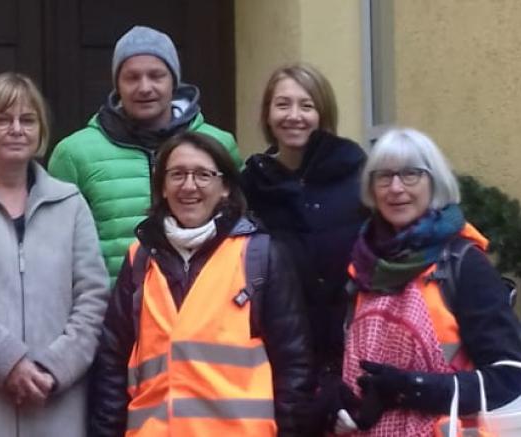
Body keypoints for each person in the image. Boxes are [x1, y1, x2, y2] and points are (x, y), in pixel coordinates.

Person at [89, 131, 317, 436]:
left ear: (225, 188)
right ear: (163, 188)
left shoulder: (260, 256)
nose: (189, 185)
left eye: (203, 175)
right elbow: (112, 366)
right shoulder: (140, 260)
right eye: (177, 175)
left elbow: (294, 367)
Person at [334, 128, 521, 436]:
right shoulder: (364, 267)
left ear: (434, 182)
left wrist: (411, 387)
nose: (395, 188)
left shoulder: (463, 263)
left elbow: (509, 377)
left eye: (411, 174)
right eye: (383, 176)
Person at [0, 73, 109, 437]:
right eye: (3, 119)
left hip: (57, 404)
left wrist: (54, 369)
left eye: (28, 119)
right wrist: (6, 362)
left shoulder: (69, 203)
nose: (16, 129)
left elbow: (93, 297)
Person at [48, 25, 242, 283]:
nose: (144, 87)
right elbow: (56, 248)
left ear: (174, 81)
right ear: (117, 84)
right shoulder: (74, 154)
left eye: (156, 75)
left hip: (206, 307)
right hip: (111, 315)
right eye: (132, 77)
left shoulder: (218, 144)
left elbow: (241, 229)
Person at [240, 63, 368, 376]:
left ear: (322, 114)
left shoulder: (359, 174)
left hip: (353, 343)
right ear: (268, 115)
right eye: (282, 104)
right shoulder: (251, 185)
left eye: (306, 105)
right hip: (281, 351)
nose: (294, 116)